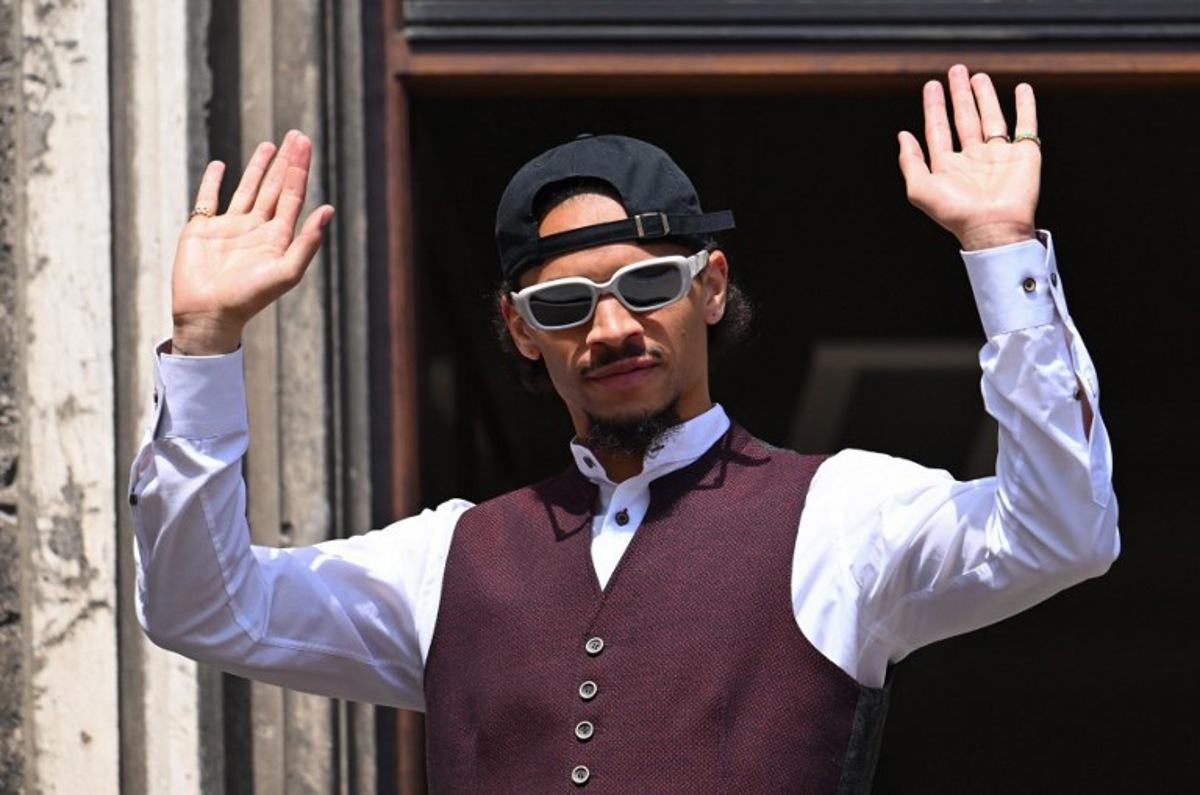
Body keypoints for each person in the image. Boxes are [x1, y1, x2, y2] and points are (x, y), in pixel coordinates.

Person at [130, 64, 1118, 792]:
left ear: (710, 288)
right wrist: (206, 344)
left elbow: (1063, 533)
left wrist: (1002, 255)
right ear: (519, 332)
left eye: (647, 287)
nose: (611, 328)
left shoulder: (841, 513)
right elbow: (200, 608)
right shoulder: (449, 559)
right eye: (564, 308)